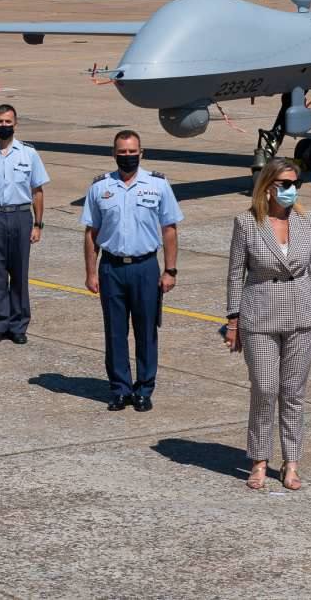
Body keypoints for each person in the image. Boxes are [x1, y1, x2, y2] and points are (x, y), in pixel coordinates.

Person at [225, 158, 311, 492]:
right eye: (284, 184)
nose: (290, 190)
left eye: (295, 184)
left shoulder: (305, 220)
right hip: (260, 316)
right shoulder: (246, 223)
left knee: (293, 392)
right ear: (267, 186)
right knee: (265, 389)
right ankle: (258, 460)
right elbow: (235, 271)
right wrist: (233, 319)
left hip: (303, 315)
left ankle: (292, 462)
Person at [82, 130, 182, 412]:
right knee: (114, 332)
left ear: (142, 152)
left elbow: (170, 230)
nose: (127, 157)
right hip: (111, 267)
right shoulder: (101, 187)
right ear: (114, 154)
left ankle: (144, 389)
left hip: (145, 267)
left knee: (146, 331)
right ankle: (119, 389)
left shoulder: (158, 185)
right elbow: (91, 233)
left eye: (132, 151)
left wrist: (170, 270)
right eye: (122, 152)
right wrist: (91, 273)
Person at [0, 104, 50, 344]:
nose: (4, 126)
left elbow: (38, 191)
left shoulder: (29, 153)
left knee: (20, 272)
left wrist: (38, 224)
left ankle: (18, 325)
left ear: (16, 123)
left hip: (21, 216)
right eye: (0, 122)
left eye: (8, 122)